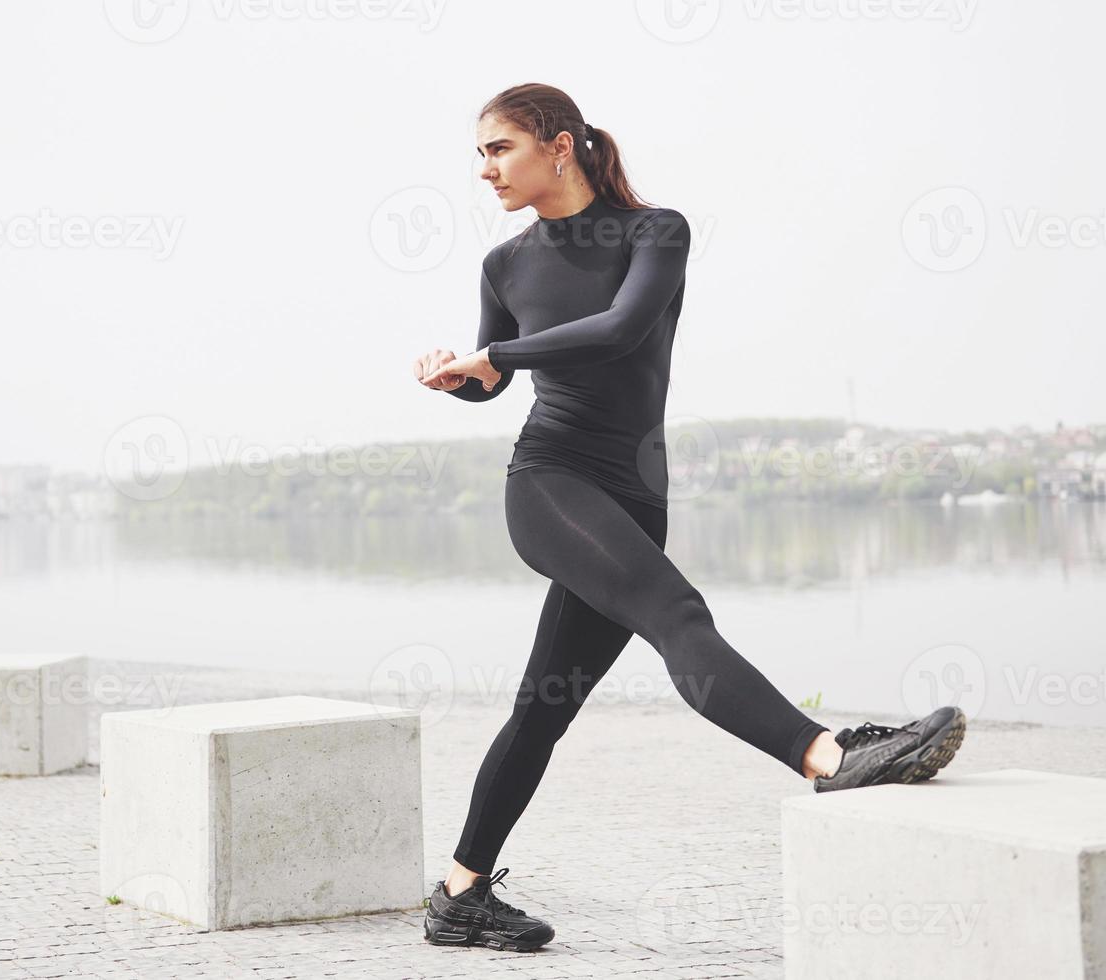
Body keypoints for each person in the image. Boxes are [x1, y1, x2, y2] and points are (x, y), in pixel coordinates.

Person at [411, 83, 966, 953]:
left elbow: (619, 330)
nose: (483, 170)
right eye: (479, 154)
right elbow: (496, 384)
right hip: (549, 484)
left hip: (632, 497)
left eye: (497, 149)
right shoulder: (504, 266)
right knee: (678, 617)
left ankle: (459, 893)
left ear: (559, 145)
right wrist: (461, 374)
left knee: (542, 707)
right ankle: (828, 756)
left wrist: (494, 354)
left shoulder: (652, 232)